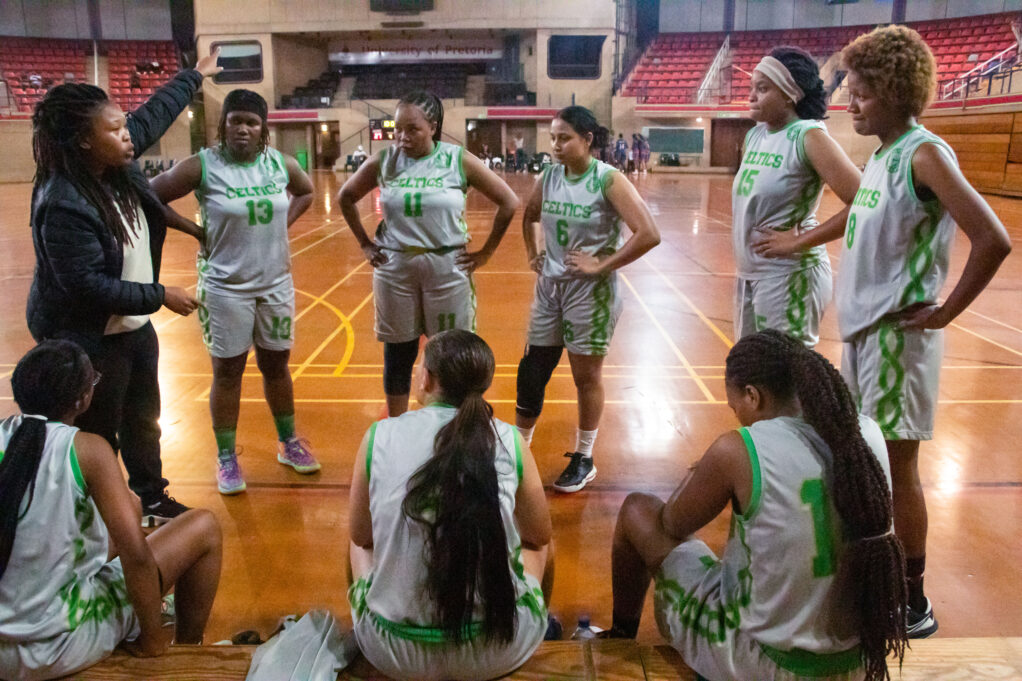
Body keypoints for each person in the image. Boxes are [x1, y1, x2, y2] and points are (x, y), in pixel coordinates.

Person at [756, 25, 1012, 637]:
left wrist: (946, 312)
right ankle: (877, 579)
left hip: (899, 340)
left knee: (896, 470)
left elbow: (993, 238)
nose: (851, 103)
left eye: (863, 93)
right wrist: (799, 239)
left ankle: (912, 598)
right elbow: (858, 209)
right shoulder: (882, 157)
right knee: (863, 460)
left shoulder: (926, 152)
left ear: (896, 92)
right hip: (865, 335)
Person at [604, 330, 907, 681]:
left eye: (736, 407)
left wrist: (704, 473)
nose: (737, 417)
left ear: (752, 395)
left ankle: (618, 638)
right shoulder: (865, 433)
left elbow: (672, 524)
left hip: (766, 666)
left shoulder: (739, 448)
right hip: (857, 663)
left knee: (636, 510)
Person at [26, 50, 222, 526]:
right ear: (84, 143)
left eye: (122, 125)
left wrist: (194, 74)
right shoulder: (63, 203)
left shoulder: (116, 163)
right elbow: (87, 286)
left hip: (130, 324)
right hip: (88, 334)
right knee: (98, 432)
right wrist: (161, 295)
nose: (127, 135)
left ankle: (151, 498)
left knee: (143, 419)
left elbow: (152, 114)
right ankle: (99, 517)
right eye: (114, 131)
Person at [0, 340, 222, 681]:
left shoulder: (6, 435)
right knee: (204, 527)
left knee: (128, 516)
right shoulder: (88, 450)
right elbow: (136, 557)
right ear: (82, 399)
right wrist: (152, 642)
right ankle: (184, 651)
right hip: (52, 648)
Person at [347, 330, 553, 681]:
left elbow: (361, 535)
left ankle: (365, 621)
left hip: (394, 651)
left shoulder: (379, 436)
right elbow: (538, 534)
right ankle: (541, 621)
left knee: (355, 539)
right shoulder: (509, 439)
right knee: (542, 538)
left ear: (427, 377)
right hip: (499, 647)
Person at [150, 89, 318, 495]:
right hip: (225, 287)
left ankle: (288, 441)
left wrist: (283, 228)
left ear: (264, 130)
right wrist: (194, 230)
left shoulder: (280, 164)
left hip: (275, 283)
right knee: (228, 373)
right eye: (235, 120)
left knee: (277, 366)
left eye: (252, 122)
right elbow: (150, 193)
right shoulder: (203, 166)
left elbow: (308, 191)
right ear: (222, 125)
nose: (242, 128)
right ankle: (226, 456)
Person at [337, 90, 520, 417]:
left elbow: (509, 201)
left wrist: (486, 252)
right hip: (396, 268)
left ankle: (454, 426)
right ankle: (398, 427)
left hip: (446, 266)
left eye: (412, 129)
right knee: (398, 354)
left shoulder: (457, 159)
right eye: (398, 129)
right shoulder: (385, 161)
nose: (403, 137)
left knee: (452, 355)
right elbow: (346, 196)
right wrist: (365, 244)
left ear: (433, 127)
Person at [515, 106, 660, 493]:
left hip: (590, 294)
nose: (556, 146)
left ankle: (584, 456)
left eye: (564, 138)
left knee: (585, 377)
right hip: (550, 288)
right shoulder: (549, 177)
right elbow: (528, 215)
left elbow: (648, 233)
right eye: (552, 139)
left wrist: (604, 264)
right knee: (532, 371)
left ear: (588, 140)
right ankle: (517, 451)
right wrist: (534, 252)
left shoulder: (607, 180)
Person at [731, 46, 861, 347]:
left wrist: (800, 240)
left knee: (786, 382)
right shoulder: (756, 135)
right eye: (752, 87)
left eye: (762, 89)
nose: (751, 96)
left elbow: (863, 202)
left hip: (790, 276)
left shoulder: (808, 136)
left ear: (790, 95)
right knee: (752, 374)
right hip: (750, 273)